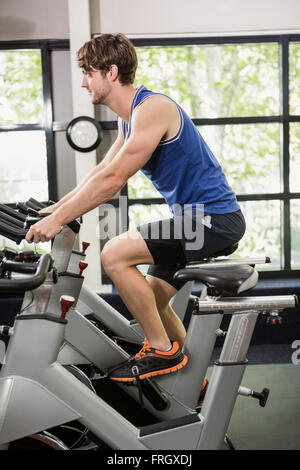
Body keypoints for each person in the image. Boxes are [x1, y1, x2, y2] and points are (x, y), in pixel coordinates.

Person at [25, 34, 246, 390]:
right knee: (151, 303)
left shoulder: (153, 108)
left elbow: (114, 180)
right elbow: (100, 172)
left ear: (111, 72)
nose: (84, 82)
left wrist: (58, 220)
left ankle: (162, 349)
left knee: (114, 255)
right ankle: (194, 386)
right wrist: (55, 209)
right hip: (192, 222)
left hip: (214, 221)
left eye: (88, 72)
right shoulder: (130, 119)